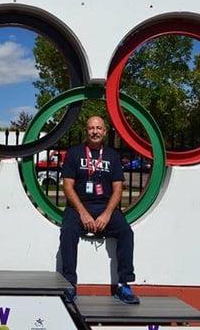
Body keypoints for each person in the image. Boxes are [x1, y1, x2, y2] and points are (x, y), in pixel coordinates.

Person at [59, 116, 140, 304]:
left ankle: (124, 284)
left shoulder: (112, 156)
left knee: (126, 232)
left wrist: (107, 214)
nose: (94, 131)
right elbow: (68, 186)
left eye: (98, 128)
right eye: (91, 128)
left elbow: (118, 188)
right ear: (86, 131)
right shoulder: (74, 153)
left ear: (104, 131)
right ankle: (69, 283)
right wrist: (82, 212)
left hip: (105, 207)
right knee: (68, 231)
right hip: (79, 207)